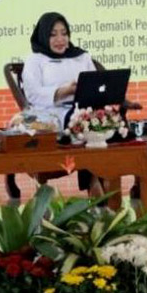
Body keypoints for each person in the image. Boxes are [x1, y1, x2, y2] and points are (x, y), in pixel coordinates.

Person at [22, 12, 103, 196]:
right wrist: (63, 91)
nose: (60, 39)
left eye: (64, 33)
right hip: (51, 113)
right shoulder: (35, 60)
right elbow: (33, 93)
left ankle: (103, 177)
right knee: (85, 123)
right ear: (43, 36)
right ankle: (94, 180)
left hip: (84, 108)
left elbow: (96, 83)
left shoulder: (81, 56)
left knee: (107, 120)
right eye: (53, 35)